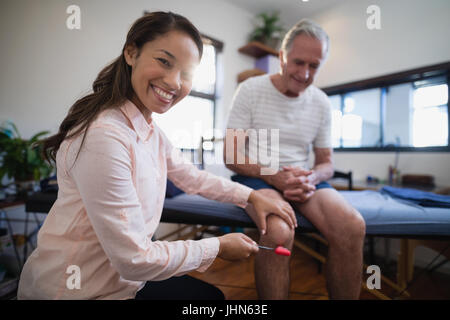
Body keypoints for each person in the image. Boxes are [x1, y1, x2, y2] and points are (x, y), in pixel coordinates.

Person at [17, 11, 297, 300]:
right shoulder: (104, 135)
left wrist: (252, 197)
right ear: (131, 52)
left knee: (209, 297)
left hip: (125, 283)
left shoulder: (150, 131)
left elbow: (193, 178)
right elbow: (134, 258)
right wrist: (218, 246)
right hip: (76, 291)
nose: (175, 82)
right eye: (164, 61)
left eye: (187, 74)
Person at [225, 19, 366, 300]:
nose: (304, 73)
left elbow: (326, 162)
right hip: (257, 174)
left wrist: (312, 176)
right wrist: (274, 174)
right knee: (278, 233)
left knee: (352, 226)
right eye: (298, 62)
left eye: (314, 66)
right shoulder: (250, 90)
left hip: (302, 179)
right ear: (282, 57)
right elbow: (231, 154)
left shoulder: (322, 102)